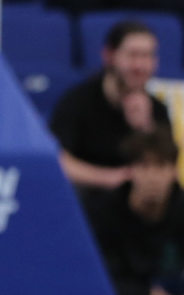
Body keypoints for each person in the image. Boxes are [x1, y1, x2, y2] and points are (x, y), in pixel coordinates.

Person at [84, 127, 184, 295]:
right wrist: (147, 294)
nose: (152, 176)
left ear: (174, 171)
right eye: (144, 166)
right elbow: (101, 275)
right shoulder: (105, 208)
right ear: (130, 171)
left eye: (161, 166)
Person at [49, 20, 174, 191]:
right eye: (132, 55)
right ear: (109, 56)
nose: (139, 66)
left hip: (138, 198)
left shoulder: (158, 109)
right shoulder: (77, 102)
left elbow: (169, 168)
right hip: (91, 194)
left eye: (147, 56)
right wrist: (111, 178)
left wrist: (146, 128)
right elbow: (58, 160)